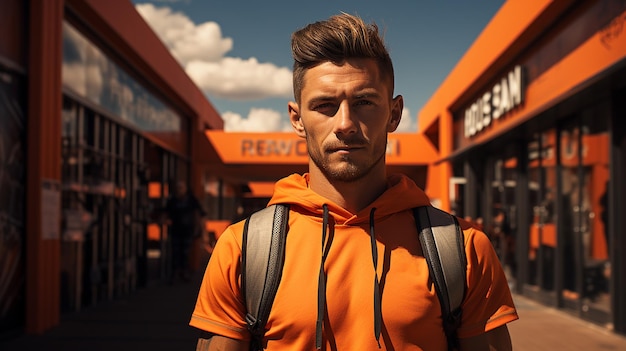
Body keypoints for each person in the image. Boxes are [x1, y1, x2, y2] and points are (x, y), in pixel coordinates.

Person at [190, 13, 518, 350]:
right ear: (297, 118)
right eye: (325, 105)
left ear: (394, 114)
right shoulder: (242, 248)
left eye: (364, 102)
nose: (345, 123)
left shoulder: (464, 249)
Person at [163, 180, 206, 283]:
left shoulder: (191, 200)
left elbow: (199, 214)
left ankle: (184, 273)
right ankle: (175, 273)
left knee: (185, 253)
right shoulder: (173, 201)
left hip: (187, 230)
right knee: (175, 252)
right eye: (178, 188)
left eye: (181, 188)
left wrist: (199, 229)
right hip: (176, 230)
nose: (179, 190)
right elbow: (166, 213)